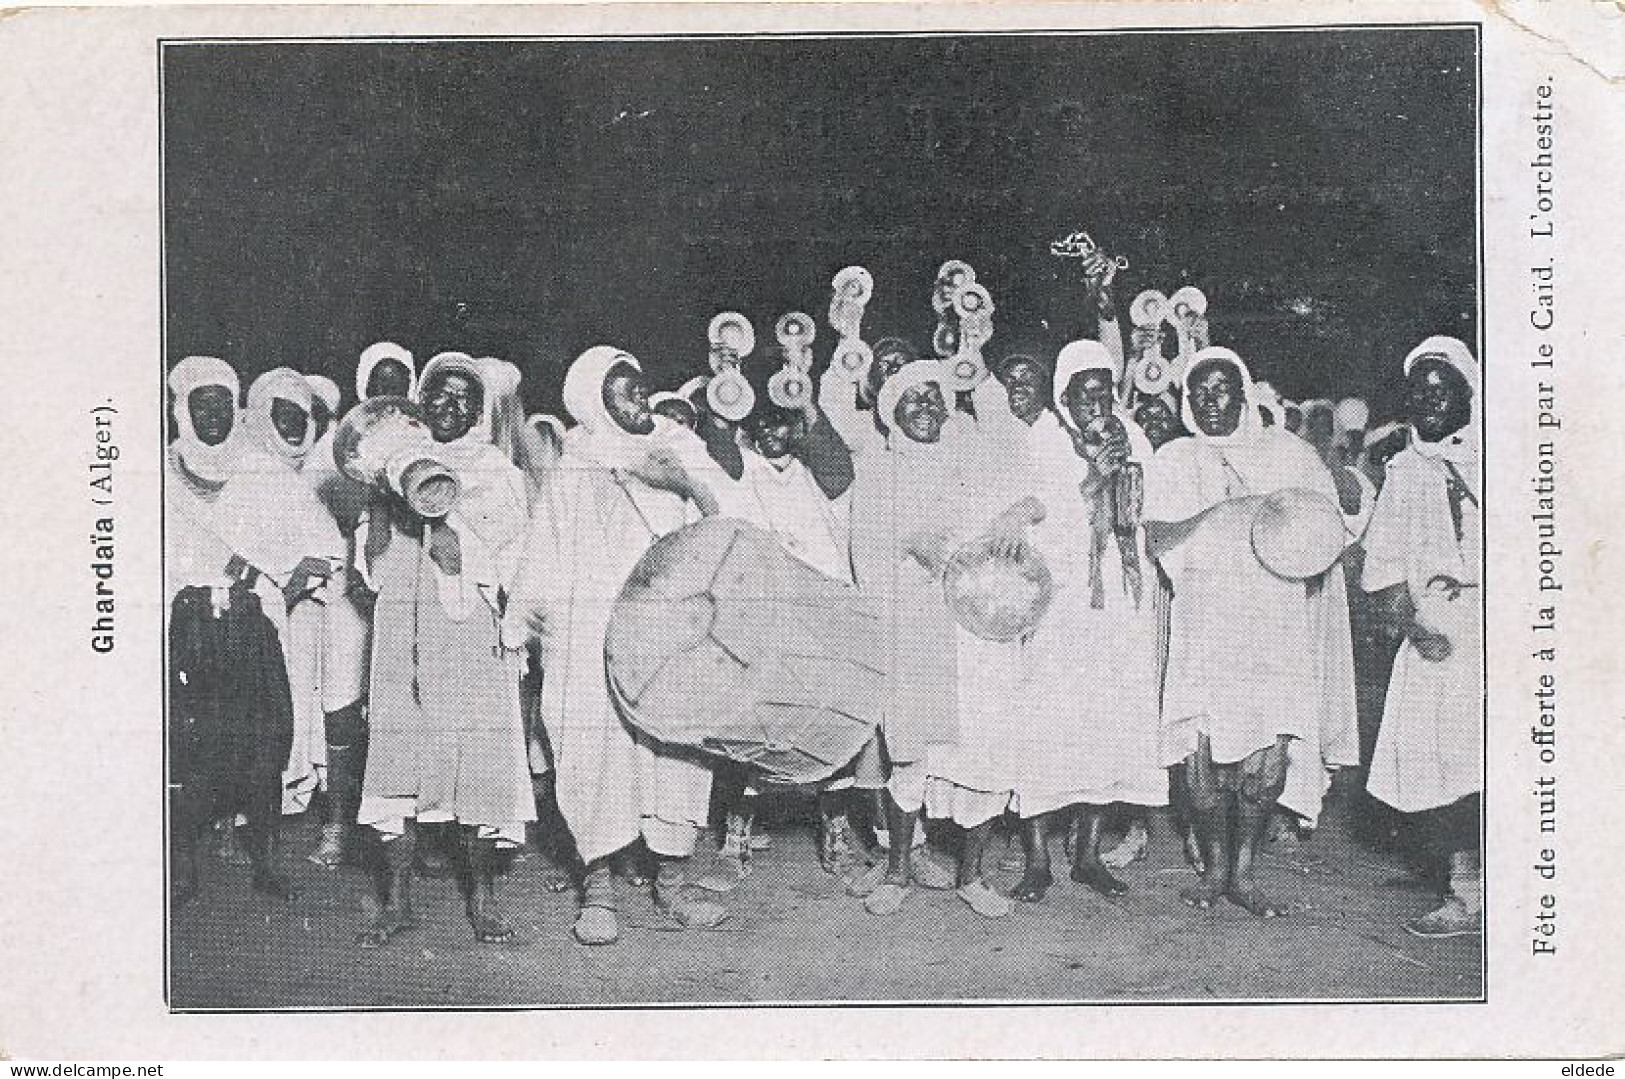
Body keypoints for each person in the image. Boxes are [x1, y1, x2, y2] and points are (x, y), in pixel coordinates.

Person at [503, 346, 727, 946]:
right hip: (591, 629)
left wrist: (679, 483)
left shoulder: (677, 447)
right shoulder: (576, 467)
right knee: (592, 746)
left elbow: (729, 527)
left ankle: (673, 880)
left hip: (670, 626)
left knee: (676, 749)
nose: (637, 399)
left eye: (639, 387)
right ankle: (597, 885)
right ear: (590, 400)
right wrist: (523, 625)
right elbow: (545, 553)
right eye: (620, 390)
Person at [1145, 347, 1358, 918]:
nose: (1211, 402)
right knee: (1202, 758)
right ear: (1187, 403)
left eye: (1222, 390)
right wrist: (1224, 510)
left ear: (1243, 395)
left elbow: (1327, 533)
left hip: (1274, 623)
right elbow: (1159, 541)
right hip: (1206, 623)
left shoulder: (1289, 454)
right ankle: (1214, 871)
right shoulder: (1175, 459)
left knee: (1266, 760)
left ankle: (1244, 874)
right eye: (1200, 393)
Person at [847, 361, 1043, 919]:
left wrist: (1011, 516)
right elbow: (867, 560)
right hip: (917, 631)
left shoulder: (975, 455)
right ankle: (899, 871)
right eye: (911, 400)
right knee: (913, 756)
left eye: (934, 396)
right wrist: (909, 543)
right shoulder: (879, 473)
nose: (926, 407)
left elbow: (1030, 495)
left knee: (986, 750)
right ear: (892, 415)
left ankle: (972, 876)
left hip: (980, 634)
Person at [352, 351, 535, 947]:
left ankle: (482, 900)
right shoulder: (393, 463)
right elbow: (372, 566)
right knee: (397, 762)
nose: (449, 407)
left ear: (480, 410)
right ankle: (398, 901)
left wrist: (458, 533)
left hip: (469, 640)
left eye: (463, 398)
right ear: (420, 403)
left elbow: (507, 558)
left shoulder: (498, 474)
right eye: (438, 395)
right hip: (402, 637)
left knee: (478, 762)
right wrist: (381, 511)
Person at [168, 357, 337, 905]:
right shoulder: (159, 473)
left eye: (222, 402)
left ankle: (267, 863)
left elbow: (326, 545)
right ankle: (183, 867)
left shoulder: (264, 471)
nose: (213, 414)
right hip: (185, 626)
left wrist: (280, 588)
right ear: (180, 407)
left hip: (251, 625)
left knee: (263, 746)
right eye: (201, 402)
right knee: (187, 748)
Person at [1007, 339, 1169, 902]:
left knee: (1106, 725)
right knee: (1046, 723)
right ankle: (1036, 860)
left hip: (1120, 606)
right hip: (1060, 605)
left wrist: (1122, 471)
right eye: (1083, 391)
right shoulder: (1042, 441)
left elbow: (1149, 517)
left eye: (1103, 390)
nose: (1095, 402)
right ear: (1064, 395)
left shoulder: (1134, 439)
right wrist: (1093, 480)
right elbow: (1033, 516)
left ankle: (1088, 854)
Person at [1361, 337, 1482, 938]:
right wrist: (1415, 626)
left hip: (1502, 630)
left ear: (1469, 393)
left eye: (1444, 389)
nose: (1430, 400)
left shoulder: (1506, 457)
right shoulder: (1404, 470)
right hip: (1435, 637)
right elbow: (1383, 567)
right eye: (1420, 390)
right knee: (1443, 766)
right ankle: (1463, 888)